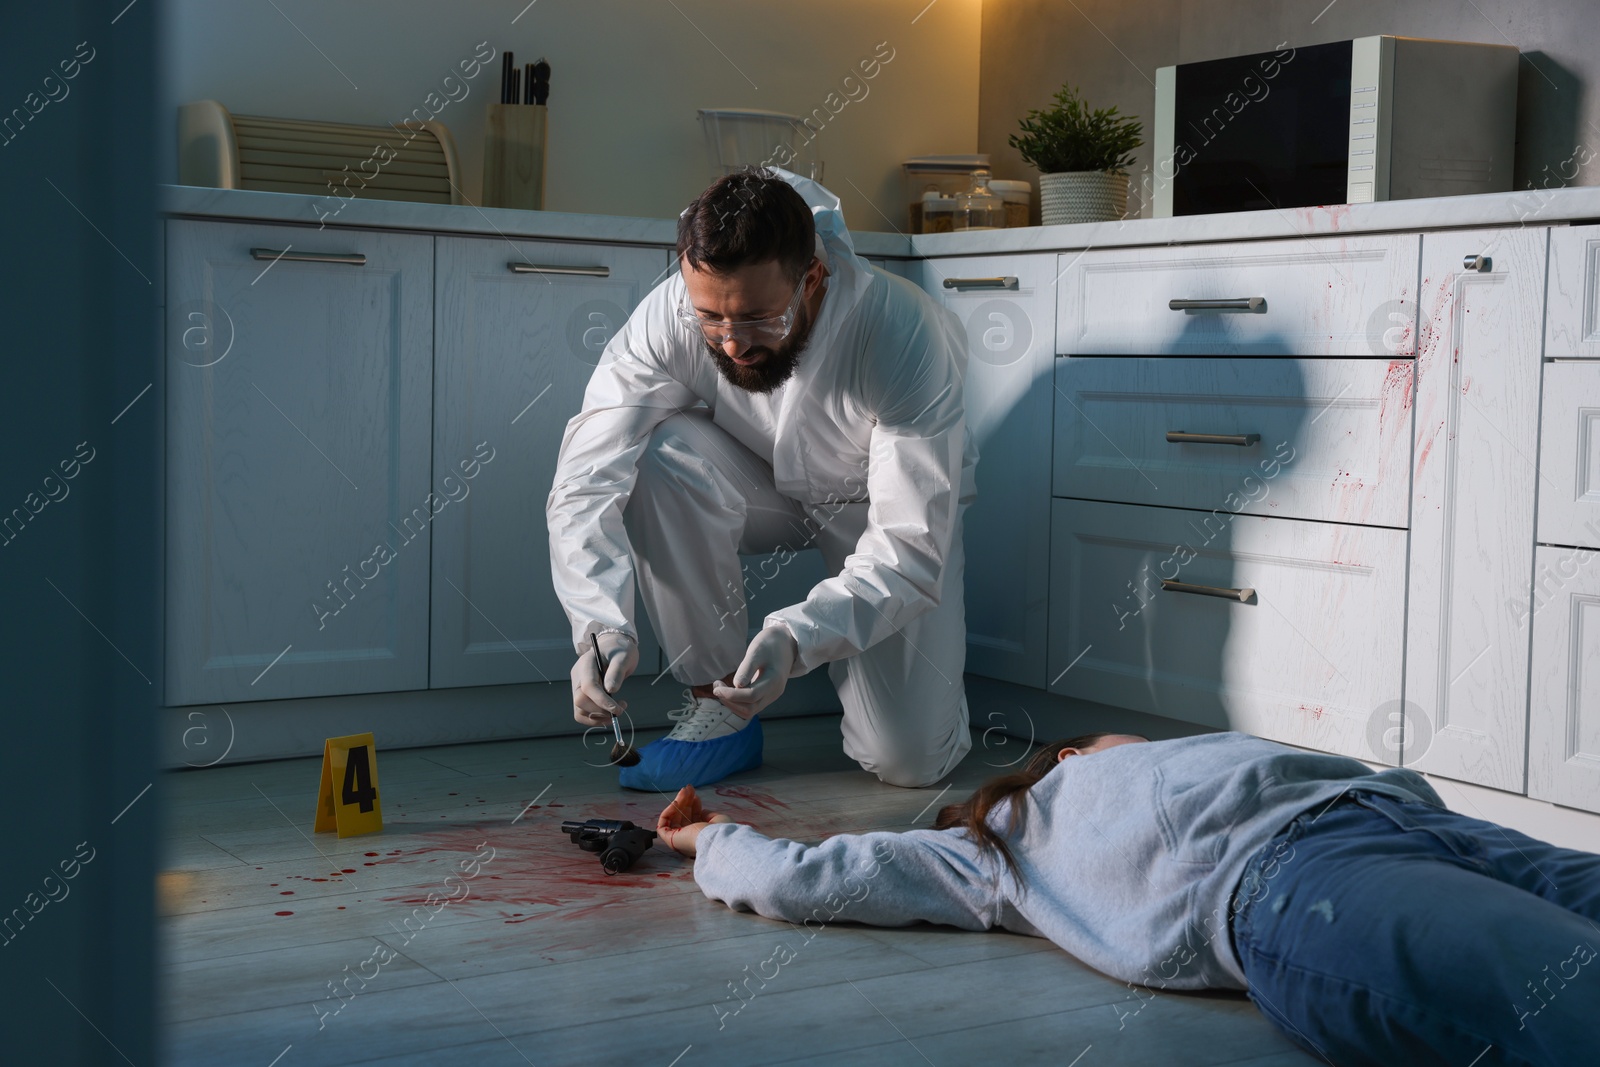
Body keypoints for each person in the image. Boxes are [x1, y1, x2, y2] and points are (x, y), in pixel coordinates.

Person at [657, 729, 1600, 1067]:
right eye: (1109, 737)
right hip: (1291, 884)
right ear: (1066, 757)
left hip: (1415, 824)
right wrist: (708, 838)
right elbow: (813, 876)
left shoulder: (1198, 752)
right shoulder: (1010, 839)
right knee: (1560, 981)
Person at [546, 166, 978, 793]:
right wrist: (599, 625)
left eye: (757, 320)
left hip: (878, 511)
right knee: (659, 452)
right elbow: (586, 477)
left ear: (814, 278)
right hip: (762, 481)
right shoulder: (668, 317)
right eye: (711, 322)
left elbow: (911, 548)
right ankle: (719, 706)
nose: (732, 346)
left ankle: (931, 713)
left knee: (908, 762)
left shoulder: (901, 329)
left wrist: (794, 637)